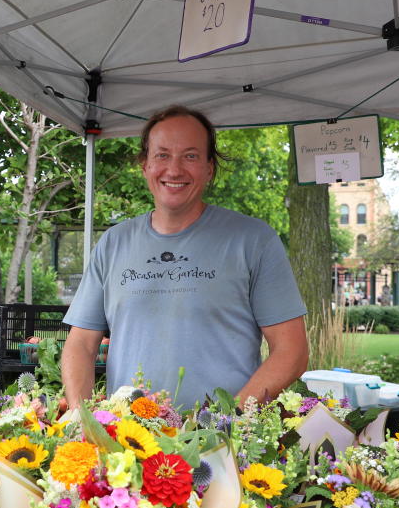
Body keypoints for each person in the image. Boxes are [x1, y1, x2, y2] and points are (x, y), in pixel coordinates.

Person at [61, 106, 309, 410]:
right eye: (162, 155)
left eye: (190, 156)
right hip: (129, 443)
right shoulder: (114, 243)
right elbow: (82, 343)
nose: (174, 170)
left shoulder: (253, 241)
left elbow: (292, 351)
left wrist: (226, 421)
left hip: (222, 449)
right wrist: (81, 416)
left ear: (209, 168)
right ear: (145, 165)